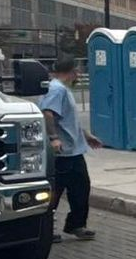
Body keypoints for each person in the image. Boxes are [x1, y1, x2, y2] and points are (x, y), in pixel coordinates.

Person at [40, 56, 102, 242]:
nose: (79, 74)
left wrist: (86, 136)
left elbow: (68, 119)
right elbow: (48, 113)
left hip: (73, 150)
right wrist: (54, 138)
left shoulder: (61, 89)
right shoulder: (56, 89)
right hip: (63, 152)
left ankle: (76, 224)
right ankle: (45, 229)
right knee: (56, 191)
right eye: (77, 71)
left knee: (81, 188)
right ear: (73, 72)